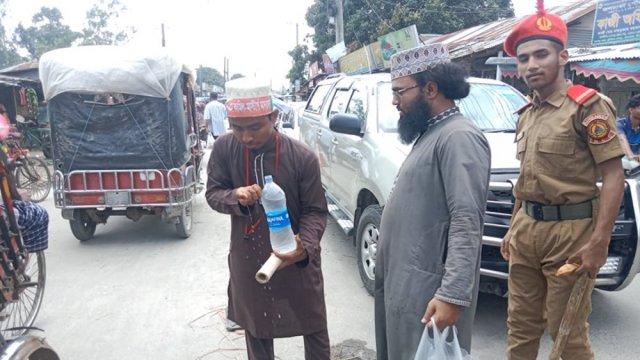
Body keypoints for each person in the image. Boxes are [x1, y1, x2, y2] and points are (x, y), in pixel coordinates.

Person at [500, 2, 625, 359]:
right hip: (526, 232)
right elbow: (528, 178)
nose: (531, 65)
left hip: (571, 233)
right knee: (520, 328)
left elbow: (613, 176)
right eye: (523, 59)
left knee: (566, 333)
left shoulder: (588, 107)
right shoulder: (527, 113)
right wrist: (512, 227)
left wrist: (600, 242)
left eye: (541, 54)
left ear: (563, 56)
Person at [374, 43, 491, 359]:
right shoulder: (433, 132)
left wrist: (452, 294)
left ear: (430, 88)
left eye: (400, 92)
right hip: (406, 282)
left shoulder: (458, 136)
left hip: (427, 290)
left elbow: (467, 219)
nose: (395, 101)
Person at [205, 78, 330, 360]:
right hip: (247, 254)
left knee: (313, 324)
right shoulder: (225, 149)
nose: (246, 137)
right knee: (257, 326)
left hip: (295, 255)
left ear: (274, 117)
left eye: (254, 127)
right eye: (237, 127)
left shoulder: (302, 157)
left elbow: (315, 211)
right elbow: (213, 193)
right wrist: (235, 195)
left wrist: (304, 246)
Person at [616, 94, 640, 170]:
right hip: (621, 163)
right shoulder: (620, 124)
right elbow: (622, 140)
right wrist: (631, 157)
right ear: (631, 109)